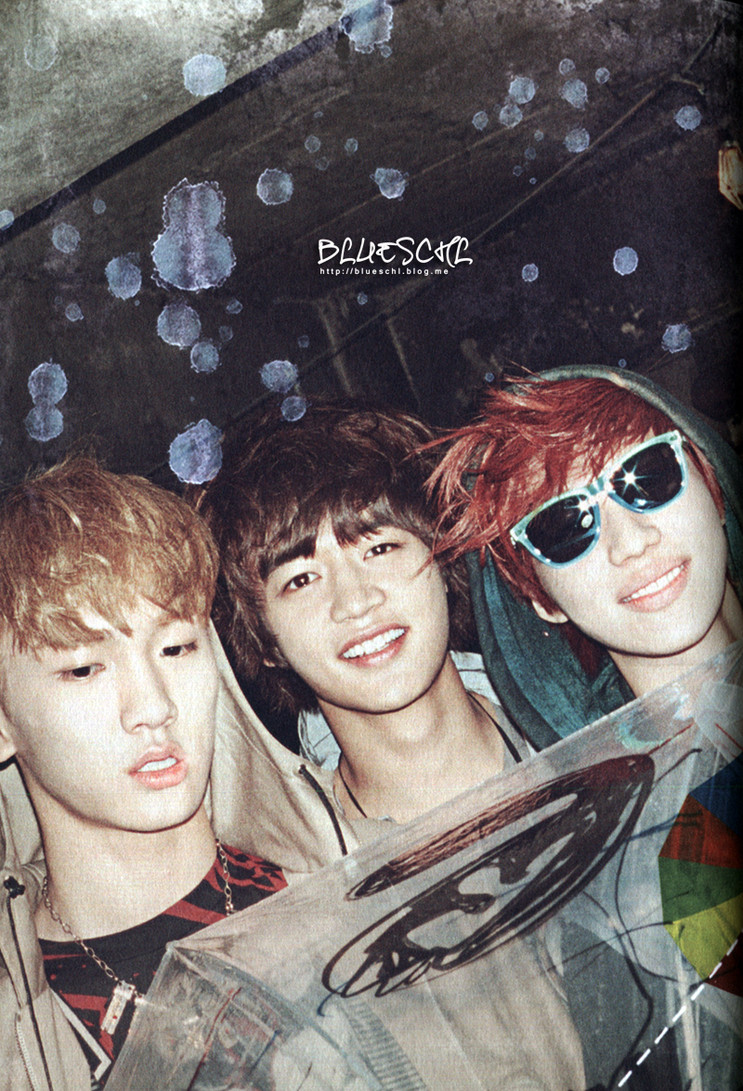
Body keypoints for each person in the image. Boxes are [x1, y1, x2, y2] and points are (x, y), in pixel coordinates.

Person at [0, 456, 292, 1090]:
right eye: (83, 668)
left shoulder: (330, 875)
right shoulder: (16, 1039)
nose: (155, 707)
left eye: (176, 646)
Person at [193, 400, 533, 838]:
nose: (355, 602)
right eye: (301, 580)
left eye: (379, 548)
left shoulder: (588, 720)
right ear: (265, 642)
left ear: (443, 559)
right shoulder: (300, 867)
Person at [430, 365, 743, 749]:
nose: (630, 543)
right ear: (542, 599)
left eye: (647, 475)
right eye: (566, 527)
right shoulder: (618, 789)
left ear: (712, 485)